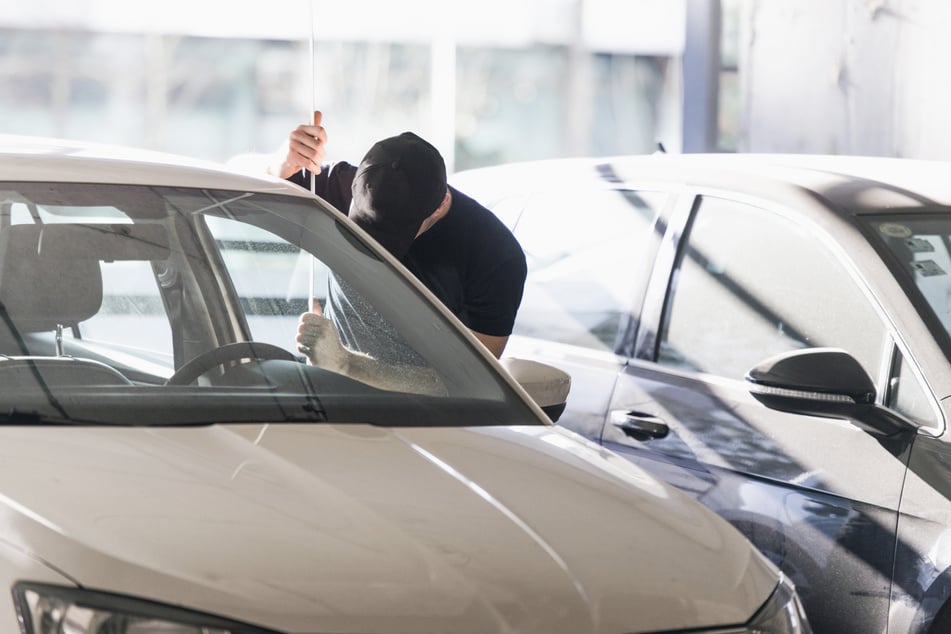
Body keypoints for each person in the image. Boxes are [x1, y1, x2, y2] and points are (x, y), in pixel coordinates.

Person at [270, 112, 527, 378]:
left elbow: (470, 380)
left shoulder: (495, 258)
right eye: (361, 227)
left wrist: (347, 364)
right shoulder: (349, 186)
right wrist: (284, 160)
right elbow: (256, 181)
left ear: (440, 207)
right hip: (324, 394)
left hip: (418, 416)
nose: (368, 246)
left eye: (386, 238)